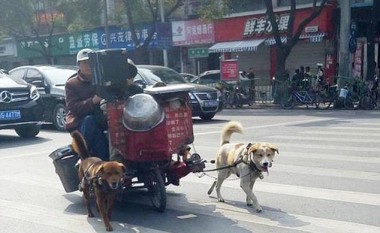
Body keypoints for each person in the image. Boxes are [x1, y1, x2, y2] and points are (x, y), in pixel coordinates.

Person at [65, 48, 109, 160]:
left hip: (103, 116)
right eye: (85, 63)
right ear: (78, 65)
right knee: (90, 121)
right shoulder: (72, 83)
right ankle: (87, 159)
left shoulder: (104, 80)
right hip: (81, 121)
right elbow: (73, 108)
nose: (88, 65)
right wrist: (92, 101)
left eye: (91, 62)